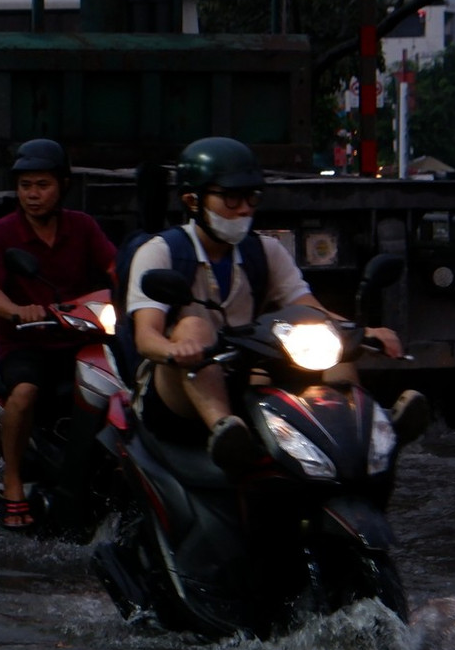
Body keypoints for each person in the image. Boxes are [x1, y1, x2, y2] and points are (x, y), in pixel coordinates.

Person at [125, 136, 403, 473]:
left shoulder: (266, 251)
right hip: (178, 390)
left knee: (332, 342)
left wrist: (359, 332)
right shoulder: (160, 252)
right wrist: (176, 350)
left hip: (250, 377)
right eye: (231, 198)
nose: (244, 209)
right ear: (192, 201)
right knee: (194, 326)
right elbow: (146, 337)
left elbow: (309, 307)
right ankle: (226, 433)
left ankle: (365, 430)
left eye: (251, 197)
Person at [0, 138, 115, 529]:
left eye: (42, 185)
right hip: (25, 341)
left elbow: (115, 266)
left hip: (81, 338)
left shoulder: (82, 227)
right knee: (25, 393)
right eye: (26, 186)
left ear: (62, 185)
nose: (33, 195)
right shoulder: (0, 233)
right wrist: (18, 310)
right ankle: (13, 481)